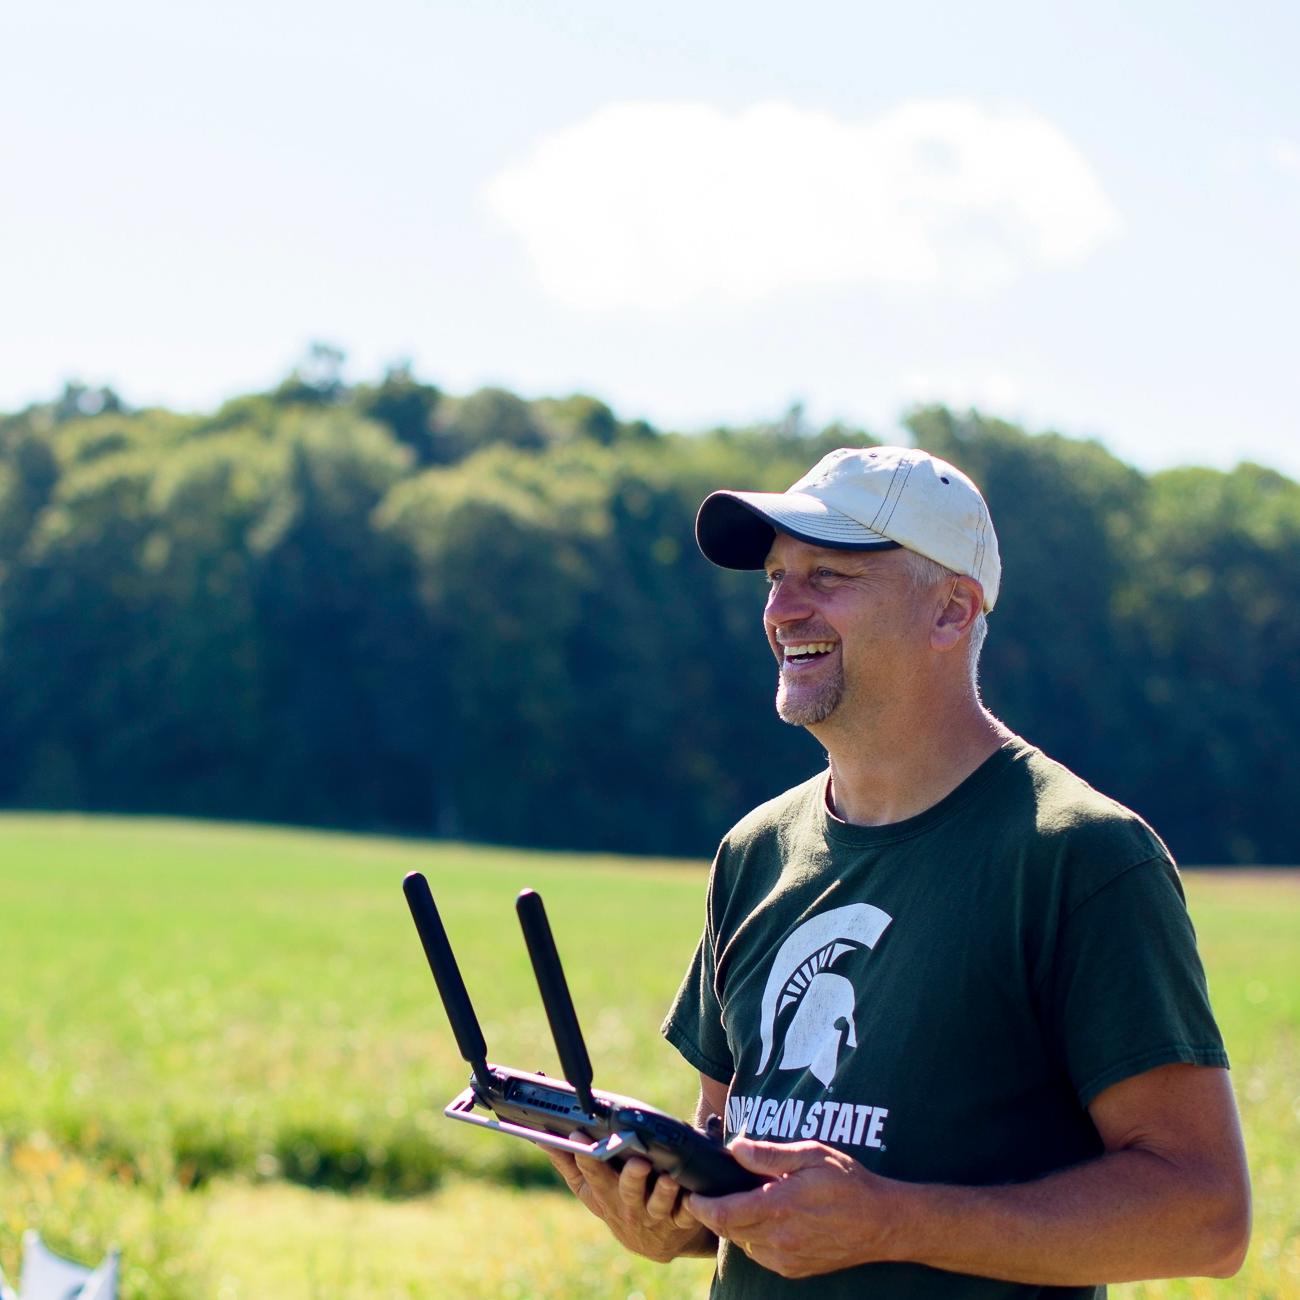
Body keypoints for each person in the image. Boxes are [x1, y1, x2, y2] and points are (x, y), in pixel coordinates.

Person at [543, 446, 1251, 1297]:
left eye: (827, 576)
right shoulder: (755, 851)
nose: (781, 609)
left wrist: (896, 1219)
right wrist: (672, 1219)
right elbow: (742, 1170)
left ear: (951, 609)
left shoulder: (1080, 855)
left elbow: (1205, 1213)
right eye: (774, 576)